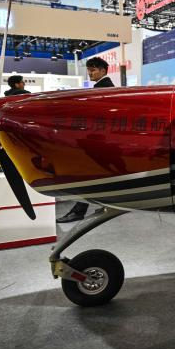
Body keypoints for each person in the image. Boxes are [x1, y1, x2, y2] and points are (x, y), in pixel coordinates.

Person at [56, 57, 114, 224]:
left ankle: (79, 210)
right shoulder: (103, 87)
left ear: (103, 71)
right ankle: (91, 207)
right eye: (89, 70)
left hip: (99, 140)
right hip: (100, 139)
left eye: (93, 70)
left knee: (89, 176)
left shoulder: (105, 88)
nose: (90, 73)